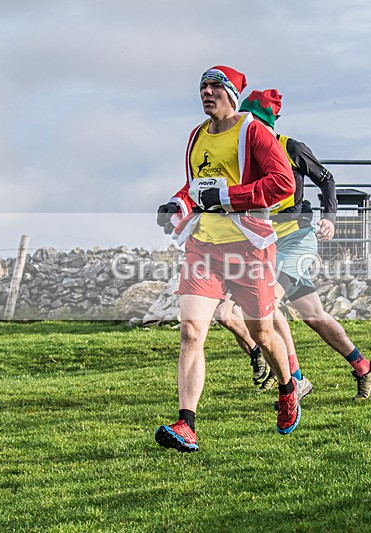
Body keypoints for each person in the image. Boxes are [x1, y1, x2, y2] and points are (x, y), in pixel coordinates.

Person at [153, 66, 301, 452]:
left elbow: (284, 184)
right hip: (203, 246)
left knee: (263, 333)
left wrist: (228, 198)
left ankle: (288, 389)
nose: (207, 92)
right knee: (190, 332)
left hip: (249, 248)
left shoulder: (253, 132)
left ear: (233, 94)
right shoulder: (196, 135)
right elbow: (195, 185)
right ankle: (187, 425)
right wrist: (176, 203)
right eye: (202, 86)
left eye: (215, 86)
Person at [215, 89, 371, 402]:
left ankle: (295, 378)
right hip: (264, 241)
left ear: (264, 123)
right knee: (314, 315)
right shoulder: (241, 158)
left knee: (268, 300)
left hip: (297, 236)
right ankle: (365, 367)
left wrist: (330, 216)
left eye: (251, 122)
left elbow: (327, 179)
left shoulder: (290, 147)